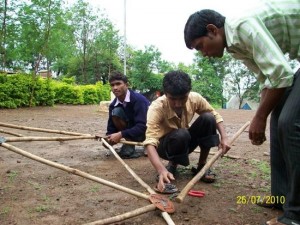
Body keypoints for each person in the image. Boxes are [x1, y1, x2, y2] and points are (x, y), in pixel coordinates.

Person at [184, 1, 300, 224]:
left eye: (200, 46)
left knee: (289, 123)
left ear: (212, 30)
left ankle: (295, 214)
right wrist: (262, 116)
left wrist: (259, 117)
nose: (203, 54)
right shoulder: (235, 46)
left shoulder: (242, 27)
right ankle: (281, 196)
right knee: (277, 122)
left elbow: (282, 74)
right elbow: (267, 80)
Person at [143, 70, 231, 193]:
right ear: (165, 94)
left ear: (188, 92)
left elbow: (215, 114)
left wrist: (224, 137)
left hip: (185, 141)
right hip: (165, 147)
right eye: (173, 99)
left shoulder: (195, 98)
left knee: (208, 118)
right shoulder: (156, 107)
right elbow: (150, 143)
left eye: (183, 98)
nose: (178, 104)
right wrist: (160, 170)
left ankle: (202, 166)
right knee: (181, 133)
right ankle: (171, 166)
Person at [105, 71, 150, 159]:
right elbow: (111, 127)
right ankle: (130, 143)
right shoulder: (113, 105)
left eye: (118, 84)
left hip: (147, 132)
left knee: (147, 130)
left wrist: (121, 134)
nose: (115, 88)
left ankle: (149, 143)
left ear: (126, 85)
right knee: (116, 111)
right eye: (112, 85)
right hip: (131, 132)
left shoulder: (139, 100)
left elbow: (142, 126)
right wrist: (108, 138)